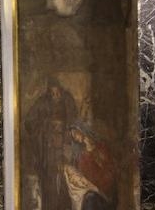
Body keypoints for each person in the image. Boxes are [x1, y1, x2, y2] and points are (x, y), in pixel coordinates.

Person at [23, 77, 77, 210]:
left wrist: (66, 130)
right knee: (49, 180)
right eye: (52, 93)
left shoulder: (67, 100)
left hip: (64, 144)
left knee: (65, 177)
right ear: (49, 93)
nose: (55, 96)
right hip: (47, 147)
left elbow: (74, 119)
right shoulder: (42, 102)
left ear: (61, 90)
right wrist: (46, 126)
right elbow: (29, 122)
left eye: (57, 93)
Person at [64, 123, 116, 210]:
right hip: (89, 189)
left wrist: (100, 186)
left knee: (91, 198)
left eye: (76, 133)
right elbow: (81, 174)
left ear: (81, 130)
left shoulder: (101, 147)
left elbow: (109, 168)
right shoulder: (81, 155)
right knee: (88, 198)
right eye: (73, 137)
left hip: (104, 190)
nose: (76, 137)